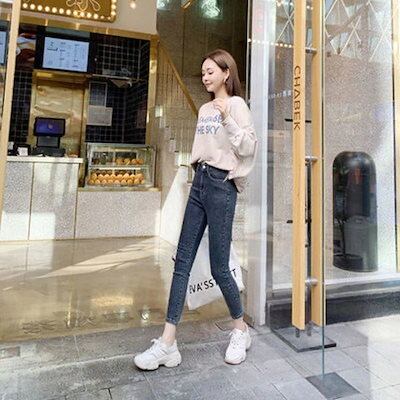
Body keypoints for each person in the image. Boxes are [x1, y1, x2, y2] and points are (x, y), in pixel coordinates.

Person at [134, 49, 258, 370]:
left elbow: (248, 147)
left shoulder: (236, 105)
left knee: (219, 267)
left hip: (221, 186)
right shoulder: (203, 109)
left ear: (226, 73)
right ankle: (167, 343)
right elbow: (203, 149)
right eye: (202, 72)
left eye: (210, 71)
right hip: (199, 182)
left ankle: (240, 330)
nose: (205, 77)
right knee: (182, 261)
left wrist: (227, 118)